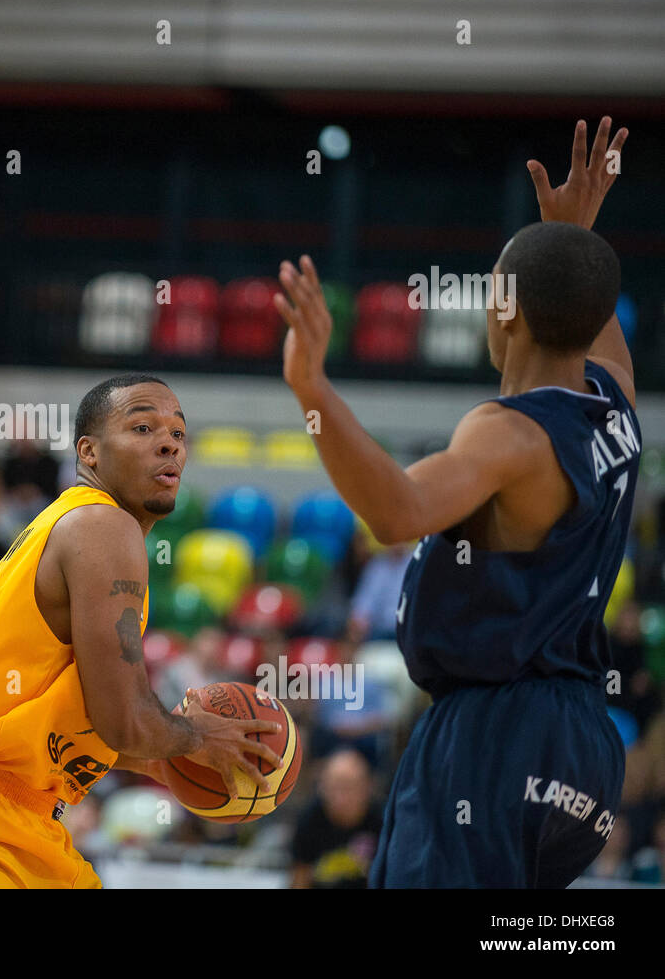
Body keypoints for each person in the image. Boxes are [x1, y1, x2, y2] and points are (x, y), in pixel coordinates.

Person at [272, 117, 637, 888]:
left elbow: (398, 514)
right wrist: (568, 238)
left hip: (494, 735)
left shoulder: (507, 433)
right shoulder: (615, 400)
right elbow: (580, 294)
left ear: (505, 309)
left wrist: (313, 390)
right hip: (581, 744)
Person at [0, 373, 283, 888]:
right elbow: (123, 719)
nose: (168, 443)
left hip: (14, 814)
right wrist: (196, 738)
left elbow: (72, 715)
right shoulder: (102, 525)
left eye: (178, 433)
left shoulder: (83, 528)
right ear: (88, 452)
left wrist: (156, 757)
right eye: (143, 427)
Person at [290, 748, 384, 890]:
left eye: (348, 788)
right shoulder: (309, 820)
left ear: (366, 787)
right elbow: (300, 879)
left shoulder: (382, 821)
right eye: (333, 787)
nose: (340, 798)